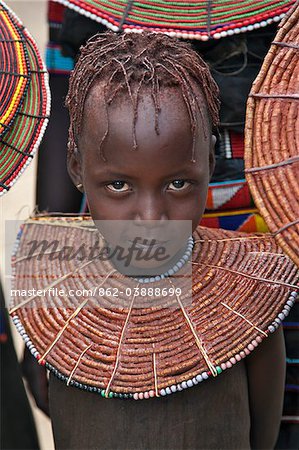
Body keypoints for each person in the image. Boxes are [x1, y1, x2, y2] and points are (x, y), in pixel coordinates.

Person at [33, 31, 295, 449]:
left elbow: (262, 437)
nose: (151, 219)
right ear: (76, 168)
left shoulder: (249, 294)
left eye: (177, 184)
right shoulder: (50, 289)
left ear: (211, 163)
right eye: (119, 185)